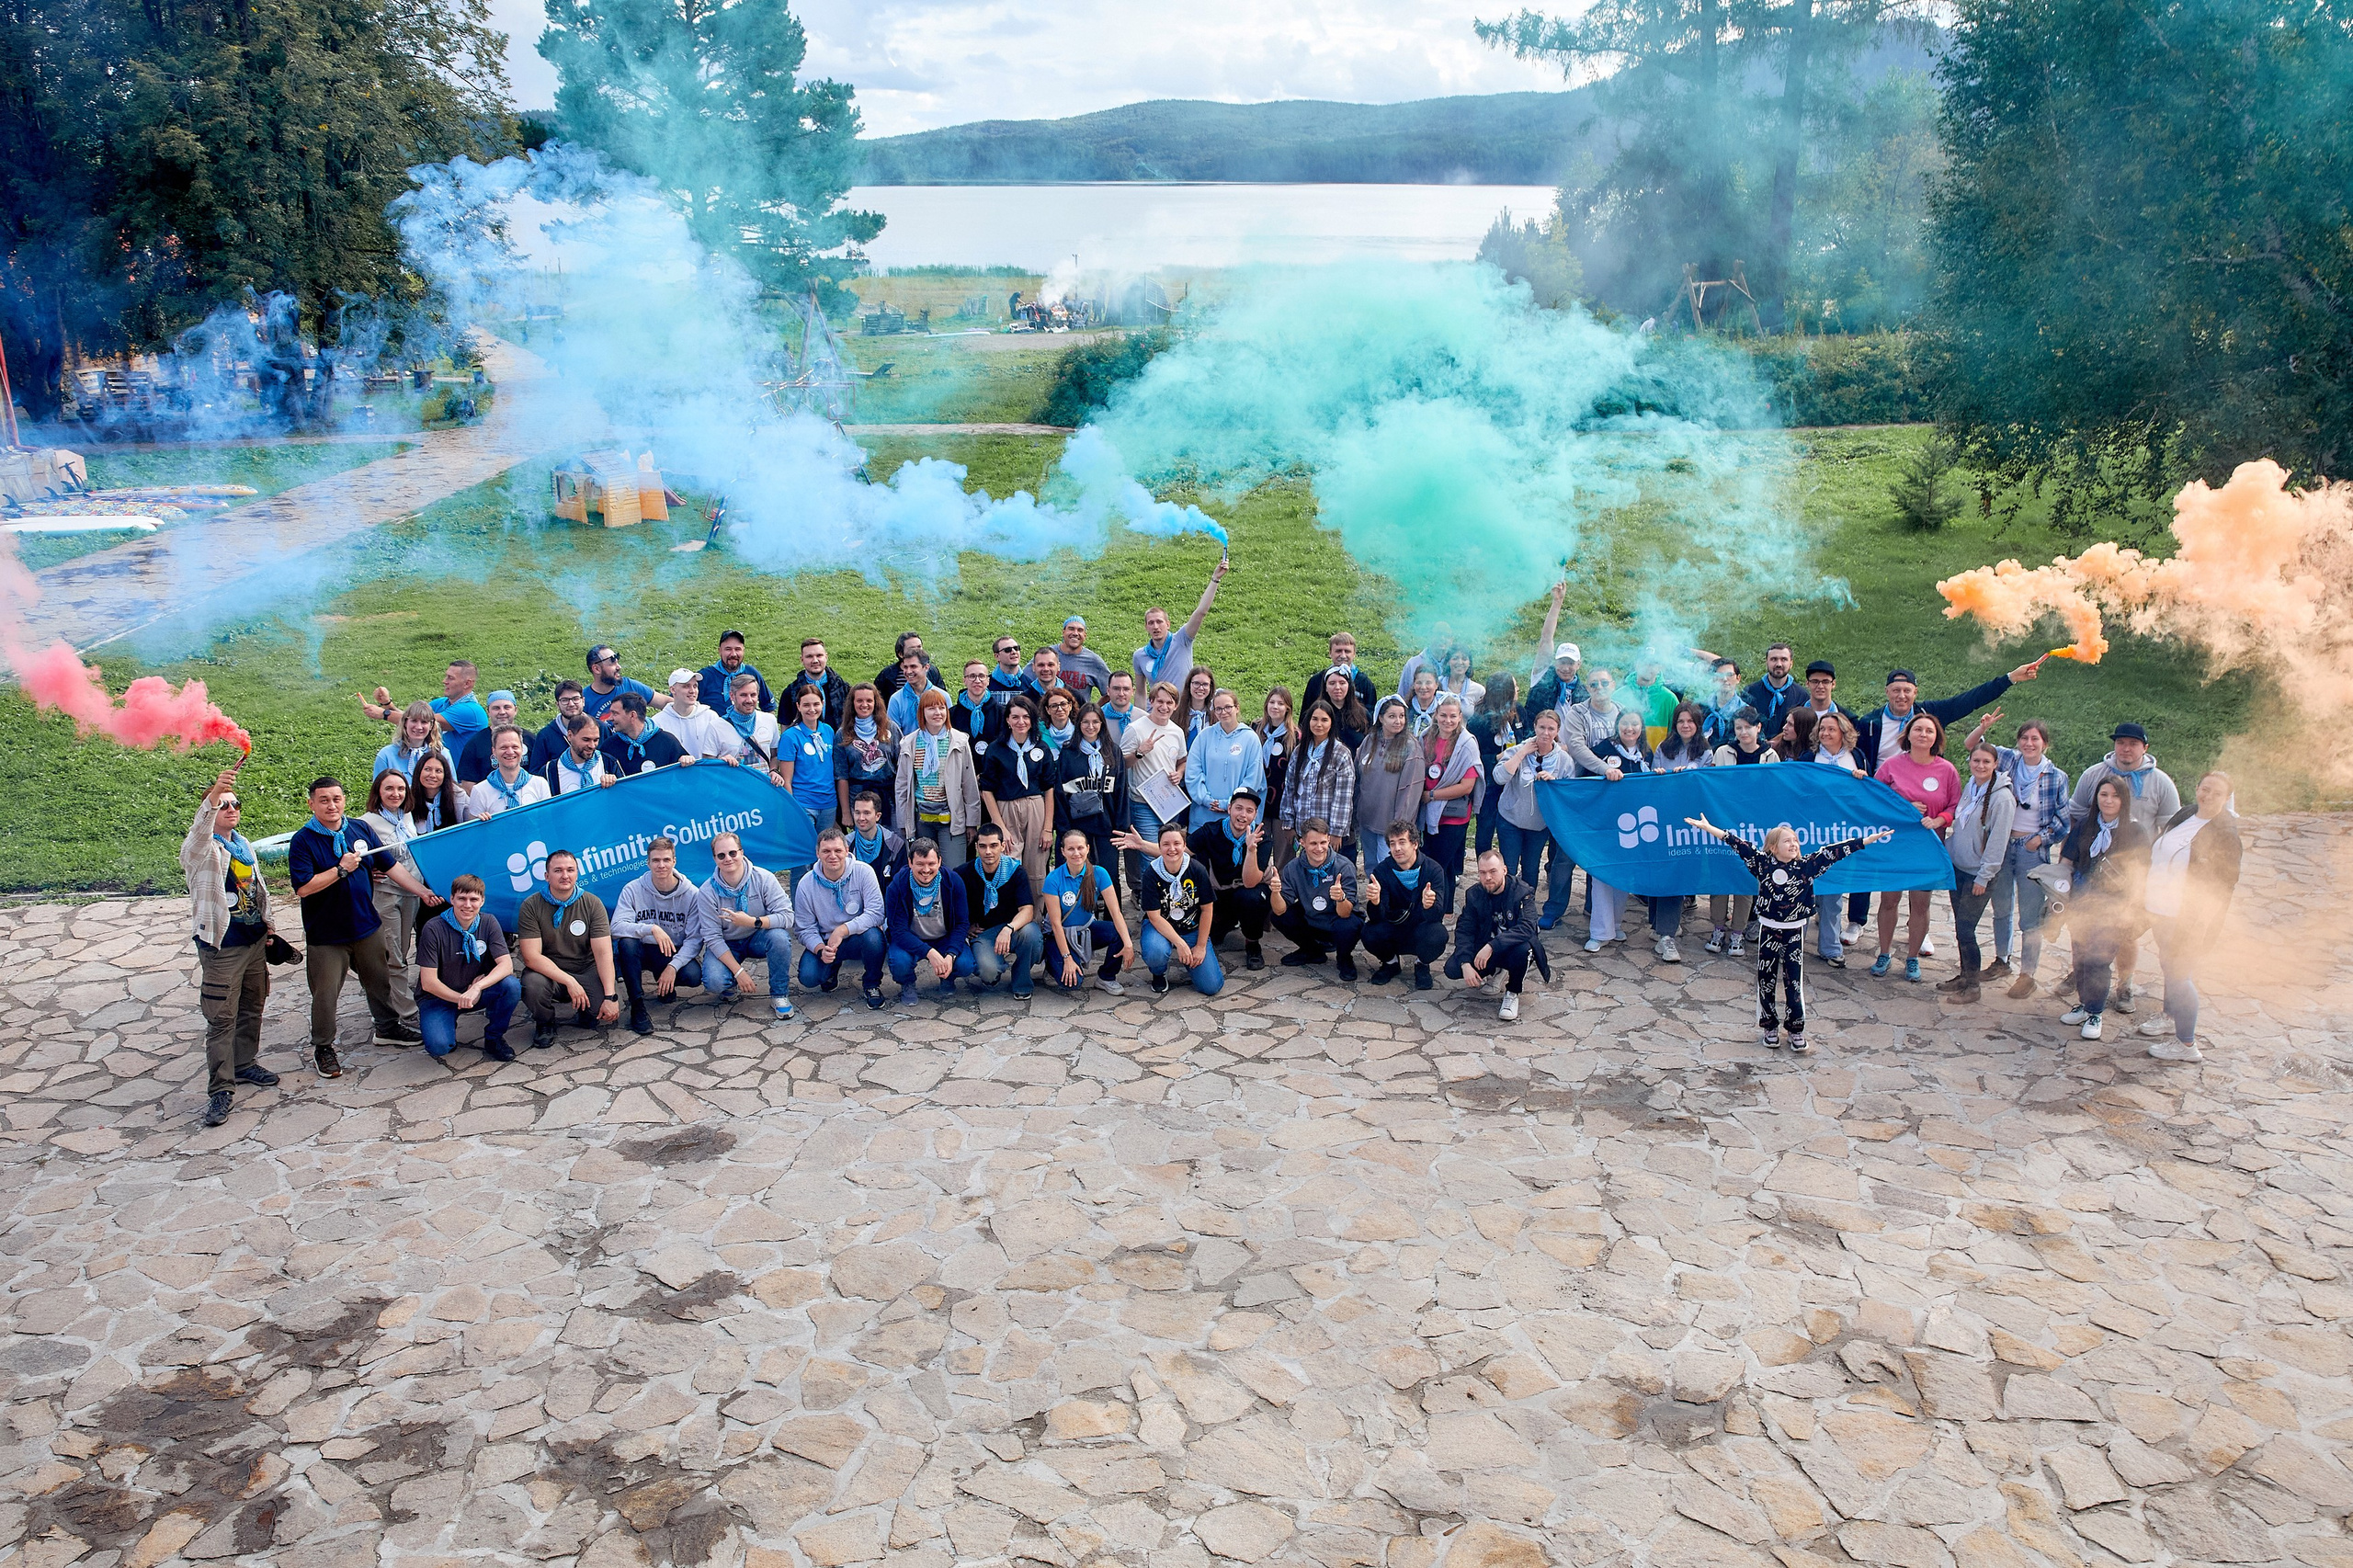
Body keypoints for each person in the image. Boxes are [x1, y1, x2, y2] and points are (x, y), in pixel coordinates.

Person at [1683, 813, 1893, 1054]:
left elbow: (1834, 852)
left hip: (1794, 932)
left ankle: (1796, 1028)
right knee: (1766, 979)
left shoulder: (1806, 866)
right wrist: (1709, 828)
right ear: (1773, 847)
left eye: (1795, 840)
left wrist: (1866, 841)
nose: (1793, 844)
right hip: (1769, 930)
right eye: (1787, 841)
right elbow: (1737, 843)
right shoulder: (1762, 863)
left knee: (1794, 982)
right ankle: (1769, 1026)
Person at [290, 775, 428, 1074]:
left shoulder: (359, 829)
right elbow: (303, 888)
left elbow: (390, 866)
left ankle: (387, 1028)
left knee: (379, 981)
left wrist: (423, 892)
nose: (331, 805)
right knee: (326, 994)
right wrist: (340, 869)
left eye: (336, 799)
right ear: (311, 804)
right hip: (327, 935)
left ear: (344, 800)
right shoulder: (303, 841)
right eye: (324, 800)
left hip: (367, 925)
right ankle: (324, 1047)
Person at [183, 770, 279, 1126]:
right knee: (222, 1018)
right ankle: (221, 1090)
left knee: (253, 1005)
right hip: (222, 947)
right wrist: (215, 795)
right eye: (223, 805)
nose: (231, 809)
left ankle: (244, 1063)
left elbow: (256, 888)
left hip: (253, 941)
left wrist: (268, 925)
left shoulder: (242, 844)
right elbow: (200, 830)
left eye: (235, 803)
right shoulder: (200, 849)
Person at [2063, 722, 2179, 1011]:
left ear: (2145, 748)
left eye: (2133, 744)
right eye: (2121, 743)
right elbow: (2077, 815)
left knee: (2124, 933)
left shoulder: (2161, 783)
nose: (2126, 749)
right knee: (2083, 931)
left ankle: (2124, 984)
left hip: (2132, 871)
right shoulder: (2094, 775)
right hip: (2092, 869)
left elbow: (2170, 830)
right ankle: (2084, 978)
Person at [1961, 713, 2070, 997]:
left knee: (2030, 915)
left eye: (2035, 739)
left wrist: (2040, 839)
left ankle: (2028, 973)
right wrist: (1983, 727)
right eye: (2024, 738)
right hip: (2003, 845)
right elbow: (1972, 745)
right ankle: (2002, 960)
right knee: (2002, 908)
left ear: (2045, 744)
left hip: (2032, 850)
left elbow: (2063, 821)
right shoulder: (2009, 759)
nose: (2029, 743)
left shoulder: (2057, 777)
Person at [2139, 771, 2242, 1063]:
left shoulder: (2225, 834)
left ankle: (2186, 1044)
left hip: (2188, 916)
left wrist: (2201, 921)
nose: (2208, 796)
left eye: (2217, 793)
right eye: (2205, 789)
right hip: (2161, 907)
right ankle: (2170, 1015)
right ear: (2197, 788)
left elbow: (2224, 885)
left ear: (2227, 799)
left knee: (2179, 975)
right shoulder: (2186, 814)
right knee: (2167, 964)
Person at [2053, 777, 2151, 1041]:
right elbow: (2067, 860)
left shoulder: (2135, 832)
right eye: (2104, 794)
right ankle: (2084, 1005)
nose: (2108, 800)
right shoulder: (2085, 825)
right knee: (2080, 956)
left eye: (2115, 796)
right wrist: (2059, 893)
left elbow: (2142, 874)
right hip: (2081, 902)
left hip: (2114, 908)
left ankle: (2095, 1013)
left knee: (2098, 960)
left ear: (2124, 800)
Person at [1870, 712, 1960, 981]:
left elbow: (1954, 805)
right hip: (1896, 845)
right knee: (1889, 901)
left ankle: (1911, 958)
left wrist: (1939, 820)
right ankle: (1884, 953)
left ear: (1936, 737)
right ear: (1908, 734)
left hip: (1927, 847)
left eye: (1929, 731)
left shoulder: (1947, 770)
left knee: (1921, 904)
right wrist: (1904, 807)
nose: (1923, 734)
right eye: (1917, 729)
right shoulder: (1892, 765)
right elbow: (1873, 799)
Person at [1592, 709, 1684, 961]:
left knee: (1624, 875)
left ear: (1641, 728)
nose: (1629, 728)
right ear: (1617, 725)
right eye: (1625, 723)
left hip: (1634, 824)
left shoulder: (1646, 753)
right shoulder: (1603, 749)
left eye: (1634, 724)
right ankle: (1599, 932)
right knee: (1602, 874)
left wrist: (1658, 777)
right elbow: (1586, 779)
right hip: (1607, 822)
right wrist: (1604, 773)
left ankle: (1615, 925)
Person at [360, 769, 444, 1027]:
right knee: (393, 955)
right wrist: (367, 870)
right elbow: (355, 856)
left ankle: (393, 1002)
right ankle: (406, 1013)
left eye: (400, 789)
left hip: (412, 893)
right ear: (378, 791)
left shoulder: (406, 817)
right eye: (389, 788)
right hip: (386, 895)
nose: (395, 794)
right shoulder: (366, 823)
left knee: (403, 950)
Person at [1854, 664, 2039, 778]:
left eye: (1907, 690)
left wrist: (2010, 678)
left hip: (1925, 786)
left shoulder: (1930, 714)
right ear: (1887, 692)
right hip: (1884, 791)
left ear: (1915, 692)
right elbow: (1858, 759)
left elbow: (1970, 700)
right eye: (1896, 690)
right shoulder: (1870, 723)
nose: (1901, 696)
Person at [1938, 743, 2018, 1004]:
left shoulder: (2002, 799)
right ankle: (1964, 975)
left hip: (1978, 874)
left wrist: (1984, 876)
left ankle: (1973, 986)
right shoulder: (1971, 787)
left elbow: (1998, 841)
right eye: (1976, 761)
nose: (1980, 766)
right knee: (1960, 928)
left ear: (1995, 764)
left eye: (1986, 762)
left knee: (1966, 928)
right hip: (1959, 868)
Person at [516, 848, 620, 1047]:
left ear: (577, 873)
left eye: (570, 870)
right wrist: (569, 981)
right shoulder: (531, 906)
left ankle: (585, 1010)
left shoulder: (593, 903)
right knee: (533, 985)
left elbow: (604, 953)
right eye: (558, 870)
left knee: (603, 1010)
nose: (565, 875)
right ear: (547, 876)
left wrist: (610, 996)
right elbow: (531, 957)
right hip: (549, 972)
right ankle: (545, 1022)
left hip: (585, 968)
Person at [686, 831, 793, 1018]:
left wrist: (753, 921)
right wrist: (739, 972)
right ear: (715, 859)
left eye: (732, 853)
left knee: (780, 938)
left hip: (757, 936)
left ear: (742, 853)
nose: (728, 859)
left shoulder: (764, 878)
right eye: (721, 855)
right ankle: (730, 983)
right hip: (728, 943)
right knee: (715, 982)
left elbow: (787, 917)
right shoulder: (707, 892)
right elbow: (712, 937)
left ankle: (779, 994)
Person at [415, 875, 521, 1064]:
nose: (468, 905)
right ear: (452, 899)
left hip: (473, 992)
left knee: (511, 985)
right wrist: (461, 999)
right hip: (438, 997)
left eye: (474, 899)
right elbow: (429, 983)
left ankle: (494, 1038)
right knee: (439, 1047)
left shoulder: (489, 922)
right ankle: (446, 1022)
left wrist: (478, 987)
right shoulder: (433, 928)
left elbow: (506, 965)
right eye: (462, 898)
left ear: (482, 901)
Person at [610, 836, 706, 1034]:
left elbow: (694, 940)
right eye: (656, 860)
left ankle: (665, 981)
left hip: (671, 951)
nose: (661, 865)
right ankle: (637, 1006)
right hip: (642, 949)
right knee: (627, 943)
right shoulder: (633, 889)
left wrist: (673, 967)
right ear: (648, 863)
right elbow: (616, 927)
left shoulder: (692, 894)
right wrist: (651, 929)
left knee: (693, 976)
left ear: (674, 861)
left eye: (666, 860)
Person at [1169, 787, 1272, 969]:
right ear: (1229, 808)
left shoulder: (1262, 838)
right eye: (1239, 808)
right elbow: (1178, 853)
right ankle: (1222, 923)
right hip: (1218, 892)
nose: (1243, 815)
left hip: (1246, 891)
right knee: (1194, 888)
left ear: (1255, 814)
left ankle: (1252, 943)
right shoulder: (1211, 830)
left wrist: (1251, 850)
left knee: (1251, 897)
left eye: (1249, 811)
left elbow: (1250, 882)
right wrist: (1142, 845)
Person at [1493, 709, 1575, 931]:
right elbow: (1499, 777)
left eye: (1551, 729)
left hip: (1539, 825)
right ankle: (1505, 911)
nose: (1545, 733)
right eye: (1542, 728)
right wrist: (1521, 753)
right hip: (1511, 819)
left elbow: (1569, 793)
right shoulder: (1520, 749)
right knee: (1509, 868)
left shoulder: (1564, 760)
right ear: (1535, 728)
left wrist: (1554, 782)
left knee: (1530, 869)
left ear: (1557, 731)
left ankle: (1526, 911)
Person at [1447, 848, 1549, 1021]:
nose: (1487, 877)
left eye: (1493, 871)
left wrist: (1492, 946)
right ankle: (1497, 971)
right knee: (1453, 968)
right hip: (1486, 948)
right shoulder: (1474, 894)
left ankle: (1512, 992)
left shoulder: (1522, 892)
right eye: (1482, 872)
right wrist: (1465, 962)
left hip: (1510, 948)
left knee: (1523, 950)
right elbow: (1464, 929)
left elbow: (1528, 927)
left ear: (1504, 870)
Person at [792, 827, 890, 1006]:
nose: (833, 856)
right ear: (817, 853)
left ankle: (872, 984)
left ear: (846, 850)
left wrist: (843, 930)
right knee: (809, 977)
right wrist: (820, 949)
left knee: (874, 938)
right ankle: (831, 967)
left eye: (838, 850)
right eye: (826, 851)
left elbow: (876, 913)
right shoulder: (806, 884)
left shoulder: (864, 872)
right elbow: (804, 928)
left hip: (858, 937)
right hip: (826, 942)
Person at [1120, 681, 1191, 900]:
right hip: (1143, 803)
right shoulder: (1136, 729)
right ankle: (1149, 900)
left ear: (1176, 705)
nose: (1164, 706)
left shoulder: (1176, 732)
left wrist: (1179, 773)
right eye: (1160, 701)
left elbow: (1182, 760)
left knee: (1170, 851)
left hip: (1169, 803)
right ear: (1151, 701)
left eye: (1169, 702)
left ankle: (1170, 898)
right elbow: (1121, 765)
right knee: (1149, 854)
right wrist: (1140, 752)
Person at [1132, 823, 1222, 996]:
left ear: (1184, 845)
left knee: (1211, 987)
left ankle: (1193, 963)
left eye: (1177, 843)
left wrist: (1201, 946)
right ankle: (1159, 972)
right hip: (1160, 927)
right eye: (1166, 844)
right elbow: (1154, 917)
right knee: (1156, 951)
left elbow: (1207, 909)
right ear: (1159, 847)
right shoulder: (1151, 873)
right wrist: (1180, 944)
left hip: (1191, 926)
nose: (1172, 849)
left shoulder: (1197, 869)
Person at [980, 695, 1056, 893]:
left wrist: (1047, 828)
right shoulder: (996, 749)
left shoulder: (1041, 747)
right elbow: (987, 790)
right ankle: (1011, 910)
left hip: (1035, 807)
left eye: (1025, 717)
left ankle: (1036, 912)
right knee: (1008, 864)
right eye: (1015, 717)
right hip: (1006, 808)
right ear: (1007, 720)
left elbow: (1049, 788)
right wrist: (1000, 827)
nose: (1020, 722)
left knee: (1037, 868)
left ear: (1032, 720)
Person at [897, 689, 982, 869]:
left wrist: (971, 823)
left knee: (953, 871)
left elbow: (969, 784)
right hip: (922, 820)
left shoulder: (959, 741)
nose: (937, 713)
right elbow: (902, 786)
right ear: (922, 712)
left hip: (951, 821)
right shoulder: (909, 743)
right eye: (931, 708)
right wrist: (904, 822)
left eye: (942, 708)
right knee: (925, 869)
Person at [1362, 821, 1452, 988]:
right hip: (1393, 928)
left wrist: (1429, 905)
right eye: (1392, 843)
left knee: (1438, 934)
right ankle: (1391, 963)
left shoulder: (1433, 870)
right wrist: (1375, 902)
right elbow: (1376, 918)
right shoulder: (1381, 871)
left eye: (1402, 842)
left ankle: (1422, 964)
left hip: (1421, 930)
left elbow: (1437, 915)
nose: (1397, 848)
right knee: (1369, 932)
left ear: (1415, 844)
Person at [958, 822, 1043, 997]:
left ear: (1003, 846)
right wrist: (965, 926)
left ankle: (1022, 980)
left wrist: (1009, 928)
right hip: (984, 932)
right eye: (983, 846)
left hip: (1014, 929)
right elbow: (954, 907)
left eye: (994, 845)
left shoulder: (1016, 871)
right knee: (988, 972)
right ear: (976, 847)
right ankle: (993, 971)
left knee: (1032, 935)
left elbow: (1027, 910)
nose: (988, 851)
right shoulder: (964, 873)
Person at [1040, 828, 1131, 994]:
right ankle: (1053, 963)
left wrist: (1128, 944)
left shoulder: (1099, 873)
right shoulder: (1053, 879)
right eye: (1071, 849)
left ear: (1088, 849)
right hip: (1059, 934)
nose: (1076, 853)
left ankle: (1106, 977)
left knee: (1120, 933)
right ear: (1063, 852)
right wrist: (1067, 959)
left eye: (1080, 848)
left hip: (1085, 929)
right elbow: (1055, 924)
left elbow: (1116, 912)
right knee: (1072, 983)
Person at [887, 838, 975, 1000]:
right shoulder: (898, 885)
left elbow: (962, 923)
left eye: (931, 863)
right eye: (920, 864)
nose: (926, 870)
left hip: (944, 937)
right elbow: (898, 930)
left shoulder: (953, 881)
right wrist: (929, 953)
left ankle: (947, 976)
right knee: (899, 963)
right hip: (911, 938)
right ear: (910, 862)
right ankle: (907, 982)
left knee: (966, 964)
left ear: (939, 861)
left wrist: (950, 955)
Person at [1133, 559, 1227, 694]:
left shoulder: (1182, 640)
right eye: (1151, 623)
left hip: (1183, 705)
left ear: (1168, 624)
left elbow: (1201, 612)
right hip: (1158, 705)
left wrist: (1215, 579)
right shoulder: (1140, 655)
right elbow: (1140, 693)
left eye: (1159, 622)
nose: (1156, 627)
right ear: (1146, 627)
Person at [1355, 696, 1427, 871]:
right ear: (1381, 718)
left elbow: (1411, 791)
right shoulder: (1370, 741)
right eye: (1392, 716)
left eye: (1401, 716)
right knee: (1371, 865)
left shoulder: (1411, 747)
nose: (1398, 721)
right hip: (1368, 817)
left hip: (1391, 821)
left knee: (1388, 866)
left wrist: (1400, 826)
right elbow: (1358, 776)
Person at [1054, 702, 1129, 872]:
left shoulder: (1113, 751)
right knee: (1078, 872)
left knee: (1109, 873)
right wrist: (1064, 827)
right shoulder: (1068, 752)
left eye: (1095, 722)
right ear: (1079, 724)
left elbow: (1121, 790)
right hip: (1077, 824)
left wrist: (1121, 825)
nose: (1090, 726)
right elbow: (1060, 792)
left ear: (1102, 724)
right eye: (1085, 722)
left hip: (1107, 823)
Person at [1279, 699, 1358, 857]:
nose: (1319, 724)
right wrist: (1288, 823)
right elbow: (1290, 788)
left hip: (1327, 830)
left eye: (1324, 720)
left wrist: (1336, 831)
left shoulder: (1341, 753)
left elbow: (1343, 796)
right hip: (1303, 827)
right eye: (1314, 719)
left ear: (1331, 723)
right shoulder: (1300, 751)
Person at [1185, 688, 1267, 832]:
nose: (1223, 712)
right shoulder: (1204, 736)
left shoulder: (1251, 739)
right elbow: (1193, 772)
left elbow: (1253, 778)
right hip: (1203, 817)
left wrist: (1230, 803)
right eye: (1218, 709)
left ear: (1237, 708)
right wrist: (1206, 800)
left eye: (1228, 707)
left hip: (1235, 819)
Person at [1420, 696, 1484, 875]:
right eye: (1443, 715)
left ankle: (1440, 894)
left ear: (1460, 717)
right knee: (1441, 867)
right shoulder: (1425, 738)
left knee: (1439, 865)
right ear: (1436, 714)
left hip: (1453, 816)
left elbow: (1467, 786)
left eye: (1453, 716)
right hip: (1428, 812)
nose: (1448, 721)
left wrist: (1431, 795)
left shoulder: (1467, 744)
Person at [359, 659, 490, 746]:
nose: (444, 681)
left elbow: (425, 723)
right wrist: (387, 704)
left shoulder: (471, 711)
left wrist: (384, 714)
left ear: (467, 683)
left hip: (460, 777)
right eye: (446, 676)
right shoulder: (441, 703)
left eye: (450, 678)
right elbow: (412, 718)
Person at [775, 685, 838, 839]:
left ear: (823, 704)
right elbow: (787, 780)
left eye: (816, 704)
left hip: (828, 803)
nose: (812, 709)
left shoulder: (828, 731)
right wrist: (793, 809)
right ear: (798, 706)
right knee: (805, 848)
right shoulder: (790, 736)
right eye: (806, 705)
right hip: (804, 803)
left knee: (825, 847)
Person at [1467, 676, 1520, 859]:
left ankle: (1507, 867)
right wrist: (1497, 757)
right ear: (1505, 692)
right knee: (1486, 826)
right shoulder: (1479, 720)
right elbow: (1472, 756)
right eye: (1514, 686)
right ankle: (1484, 865)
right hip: (1489, 784)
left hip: (1513, 780)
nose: (1518, 689)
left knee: (1510, 827)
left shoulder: (1519, 712)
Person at [834, 684, 900, 825]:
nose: (864, 705)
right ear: (852, 703)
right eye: (859, 701)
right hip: (858, 799)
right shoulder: (843, 734)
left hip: (889, 797)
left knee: (893, 837)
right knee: (865, 837)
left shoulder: (891, 728)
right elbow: (841, 776)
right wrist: (846, 813)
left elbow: (902, 766)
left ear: (876, 703)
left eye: (869, 700)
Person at [462, 726, 551, 821]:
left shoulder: (540, 784)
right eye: (503, 747)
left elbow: (548, 821)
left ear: (522, 749)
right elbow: (474, 828)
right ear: (494, 752)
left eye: (515, 747)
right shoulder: (480, 791)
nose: (510, 752)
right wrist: (481, 823)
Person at [1256, 687, 1297, 869]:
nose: (1275, 707)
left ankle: (1283, 883)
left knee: (1284, 853)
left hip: (1282, 803)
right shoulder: (1256, 729)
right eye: (1272, 702)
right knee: (1259, 848)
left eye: (1280, 703)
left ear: (1288, 708)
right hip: (1259, 802)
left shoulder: (1295, 736)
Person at [600, 693, 691, 777]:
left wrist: (687, 761)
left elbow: (686, 777)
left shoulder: (667, 742)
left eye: (615, 713)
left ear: (632, 715)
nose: (610, 718)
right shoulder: (609, 746)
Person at [656, 669, 737, 760]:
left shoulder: (710, 717)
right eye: (686, 686)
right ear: (673, 690)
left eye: (695, 686)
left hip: (705, 769)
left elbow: (721, 749)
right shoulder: (658, 722)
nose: (692, 691)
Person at [715, 672, 783, 771]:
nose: (749, 700)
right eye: (743, 695)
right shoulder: (716, 726)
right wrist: (721, 761)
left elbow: (775, 755)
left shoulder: (770, 720)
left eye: (753, 695)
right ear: (732, 696)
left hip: (762, 780)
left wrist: (774, 770)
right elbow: (708, 761)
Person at [779, 638, 853, 732]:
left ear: (826, 657)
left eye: (819, 655)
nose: (815, 660)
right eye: (809, 656)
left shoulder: (844, 689)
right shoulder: (791, 692)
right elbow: (785, 726)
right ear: (802, 659)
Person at [1304, 631, 1380, 721]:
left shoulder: (1365, 683)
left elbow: (1372, 720)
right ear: (1330, 653)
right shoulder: (1316, 681)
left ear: (1354, 654)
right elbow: (1305, 718)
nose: (1343, 655)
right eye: (1338, 651)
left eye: (1347, 651)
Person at [581, 644, 661, 725]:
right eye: (612, 662)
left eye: (617, 662)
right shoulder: (583, 700)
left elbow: (665, 702)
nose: (619, 667)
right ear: (597, 669)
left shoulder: (629, 685)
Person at [455, 690, 522, 785]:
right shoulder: (475, 743)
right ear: (488, 712)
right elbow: (467, 782)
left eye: (507, 707)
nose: (502, 712)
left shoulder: (530, 740)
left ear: (515, 710)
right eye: (496, 708)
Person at [699, 630, 771, 713]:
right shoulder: (705, 676)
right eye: (728, 649)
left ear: (743, 651)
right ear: (720, 651)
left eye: (737, 649)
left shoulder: (751, 673)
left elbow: (768, 706)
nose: (733, 654)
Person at [540, 712, 614, 794]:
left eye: (596, 740)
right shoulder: (551, 770)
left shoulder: (609, 763)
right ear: (570, 736)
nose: (592, 746)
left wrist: (614, 785)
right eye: (586, 740)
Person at [373, 701, 443, 786]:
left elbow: (451, 788)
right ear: (405, 722)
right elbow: (378, 790)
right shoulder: (386, 755)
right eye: (414, 721)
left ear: (431, 725)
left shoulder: (442, 753)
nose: (418, 727)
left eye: (424, 722)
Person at [1740, 642, 1802, 736]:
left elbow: (1802, 729)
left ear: (1791, 663)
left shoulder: (1801, 696)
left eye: (1784, 659)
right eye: (1774, 659)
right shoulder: (1750, 692)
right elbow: (1741, 723)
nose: (1779, 664)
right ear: (1767, 662)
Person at [846, 791, 908, 884]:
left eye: (866, 813)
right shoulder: (844, 844)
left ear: (877, 816)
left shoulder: (895, 844)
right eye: (857, 813)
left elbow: (900, 883)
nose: (861, 818)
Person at [529, 681, 591, 769]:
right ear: (557, 705)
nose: (571, 704)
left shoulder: (600, 728)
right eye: (565, 700)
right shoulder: (545, 736)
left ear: (583, 701)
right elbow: (536, 771)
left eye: (576, 699)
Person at [1053, 616, 1114, 704]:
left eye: (1080, 630)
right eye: (1071, 629)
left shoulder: (1093, 661)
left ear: (1085, 636)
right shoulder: (1049, 655)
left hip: (1080, 712)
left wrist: (1093, 709)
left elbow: (1112, 691)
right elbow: (1030, 681)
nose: (1075, 633)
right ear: (1063, 632)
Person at [1313, 666, 1372, 751]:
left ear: (1349, 686)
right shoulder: (1316, 713)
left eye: (1342, 683)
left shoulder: (1363, 714)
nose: (1337, 687)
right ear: (1326, 687)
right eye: (1332, 683)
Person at [885, 648, 942, 733]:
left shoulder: (942, 696)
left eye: (913, 666)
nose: (908, 671)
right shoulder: (896, 700)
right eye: (905, 667)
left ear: (926, 667)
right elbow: (894, 735)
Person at [1625, 659, 1680, 747]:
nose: (1648, 667)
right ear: (1636, 664)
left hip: (1659, 755)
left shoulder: (1670, 699)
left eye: (1653, 664)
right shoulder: (1619, 696)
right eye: (1644, 662)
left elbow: (1676, 737)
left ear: (1660, 668)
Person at [874, 631, 939, 705]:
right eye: (912, 649)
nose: (917, 651)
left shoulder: (932, 672)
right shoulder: (887, 675)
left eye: (919, 647)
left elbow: (941, 700)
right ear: (900, 654)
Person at [1396, 621, 1456, 699]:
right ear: (1429, 636)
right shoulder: (1413, 664)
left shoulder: (1456, 665)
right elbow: (1402, 697)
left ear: (1452, 639)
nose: (1442, 638)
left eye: (1446, 635)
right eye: (1438, 634)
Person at [407, 751, 461, 834]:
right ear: (419, 771)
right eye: (427, 769)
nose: (432, 775)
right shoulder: (407, 796)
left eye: (438, 771)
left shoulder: (458, 796)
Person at [954, 659, 1001, 750]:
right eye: (972, 676)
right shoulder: (952, 714)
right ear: (964, 681)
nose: (977, 680)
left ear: (988, 681)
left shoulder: (1001, 713)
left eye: (982, 676)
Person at [1699, 660, 1747, 746]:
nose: (1725, 679)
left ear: (1738, 678)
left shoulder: (1745, 711)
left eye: (1730, 675)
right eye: (1720, 675)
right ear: (1714, 679)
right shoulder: (1701, 707)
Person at [1176, 665, 1217, 743]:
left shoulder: (1216, 715)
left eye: (1205, 684)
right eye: (1196, 683)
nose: (1201, 688)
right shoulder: (1177, 712)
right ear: (1189, 685)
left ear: (1210, 687)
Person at [1101, 671, 1142, 744]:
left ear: (1132, 691)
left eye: (1126, 689)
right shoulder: (1097, 717)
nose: (1121, 694)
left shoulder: (1142, 718)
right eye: (1116, 689)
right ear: (1108, 691)